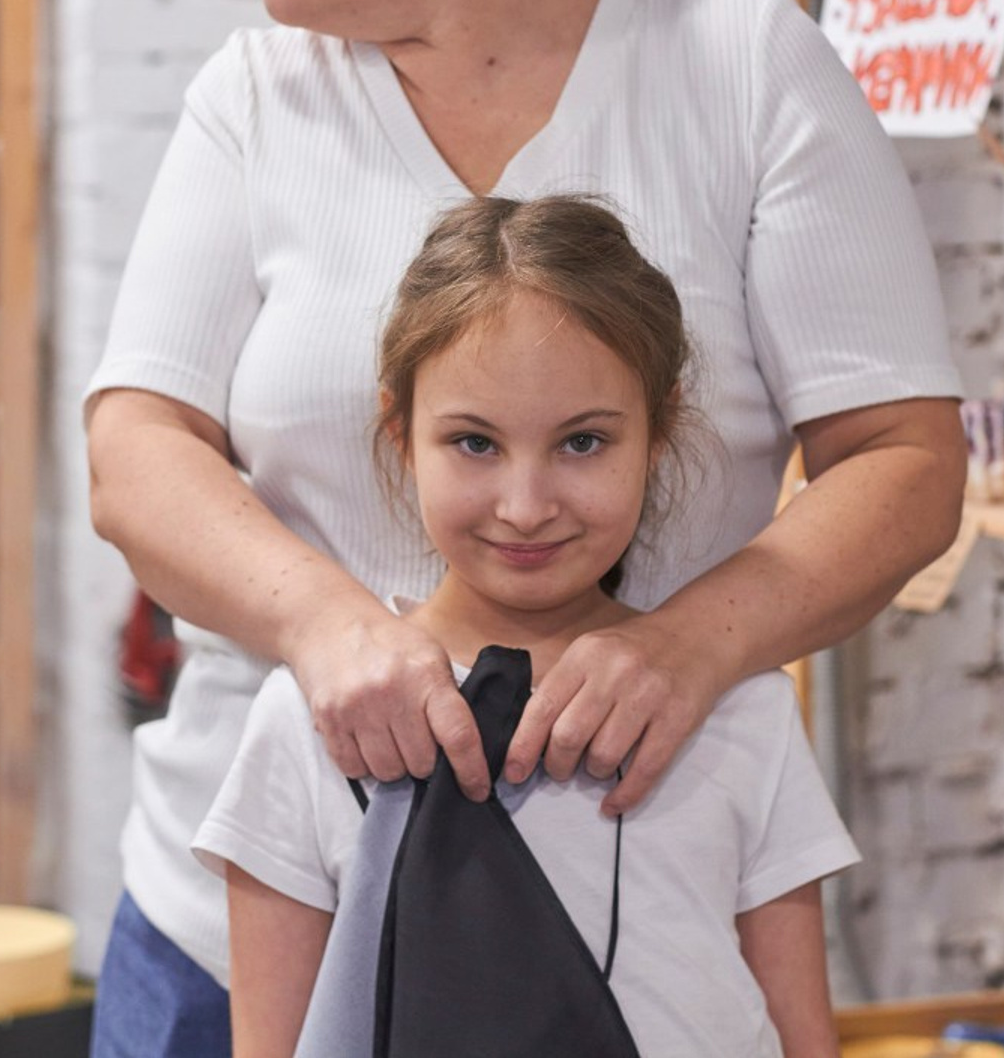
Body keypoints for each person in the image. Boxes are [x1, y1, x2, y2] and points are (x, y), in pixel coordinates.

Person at [84, 0, 965, 1052]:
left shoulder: (739, 69)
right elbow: (134, 450)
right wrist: (323, 625)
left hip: (638, 955)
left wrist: (687, 646)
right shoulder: (255, 97)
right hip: (243, 934)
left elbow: (902, 458)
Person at [194, 192, 859, 1057]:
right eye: (475, 443)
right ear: (400, 432)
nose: (526, 506)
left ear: (657, 432)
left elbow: (806, 1038)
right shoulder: (315, 719)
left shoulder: (744, 712)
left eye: (583, 443)